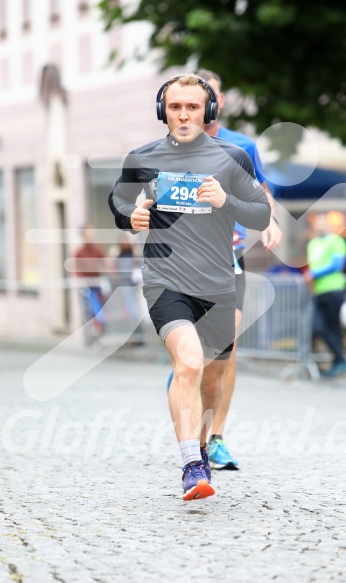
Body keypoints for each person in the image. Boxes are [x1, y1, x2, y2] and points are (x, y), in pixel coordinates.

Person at [108, 74, 271, 501]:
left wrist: (226, 201)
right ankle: (191, 465)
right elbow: (120, 202)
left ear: (209, 111)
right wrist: (132, 216)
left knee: (212, 381)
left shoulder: (233, 157)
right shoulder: (142, 157)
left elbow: (259, 213)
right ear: (164, 110)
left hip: (218, 282)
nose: (184, 115)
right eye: (176, 106)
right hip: (166, 280)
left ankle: (201, 445)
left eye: (193, 107)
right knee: (189, 364)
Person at [193, 68, 283, 471]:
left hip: (229, 261)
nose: (205, 105)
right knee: (192, 358)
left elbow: (260, 193)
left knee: (225, 354)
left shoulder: (241, 145)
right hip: (184, 262)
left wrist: (272, 222)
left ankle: (215, 439)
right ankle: (189, 427)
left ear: (221, 100)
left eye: (211, 96)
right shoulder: (174, 145)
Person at [304, 212, 346, 377]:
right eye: (318, 223)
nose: (321, 225)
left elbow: (337, 265)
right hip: (318, 291)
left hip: (334, 289)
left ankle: (339, 360)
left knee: (330, 327)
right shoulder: (313, 243)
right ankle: (337, 360)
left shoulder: (337, 240)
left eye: (324, 222)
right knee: (316, 326)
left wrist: (315, 274)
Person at [75, 223, 107, 336]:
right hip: (85, 285)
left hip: (96, 283)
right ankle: (90, 331)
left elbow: (104, 262)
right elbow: (77, 268)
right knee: (87, 308)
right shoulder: (80, 252)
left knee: (98, 305)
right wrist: (82, 280)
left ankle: (99, 327)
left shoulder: (97, 249)